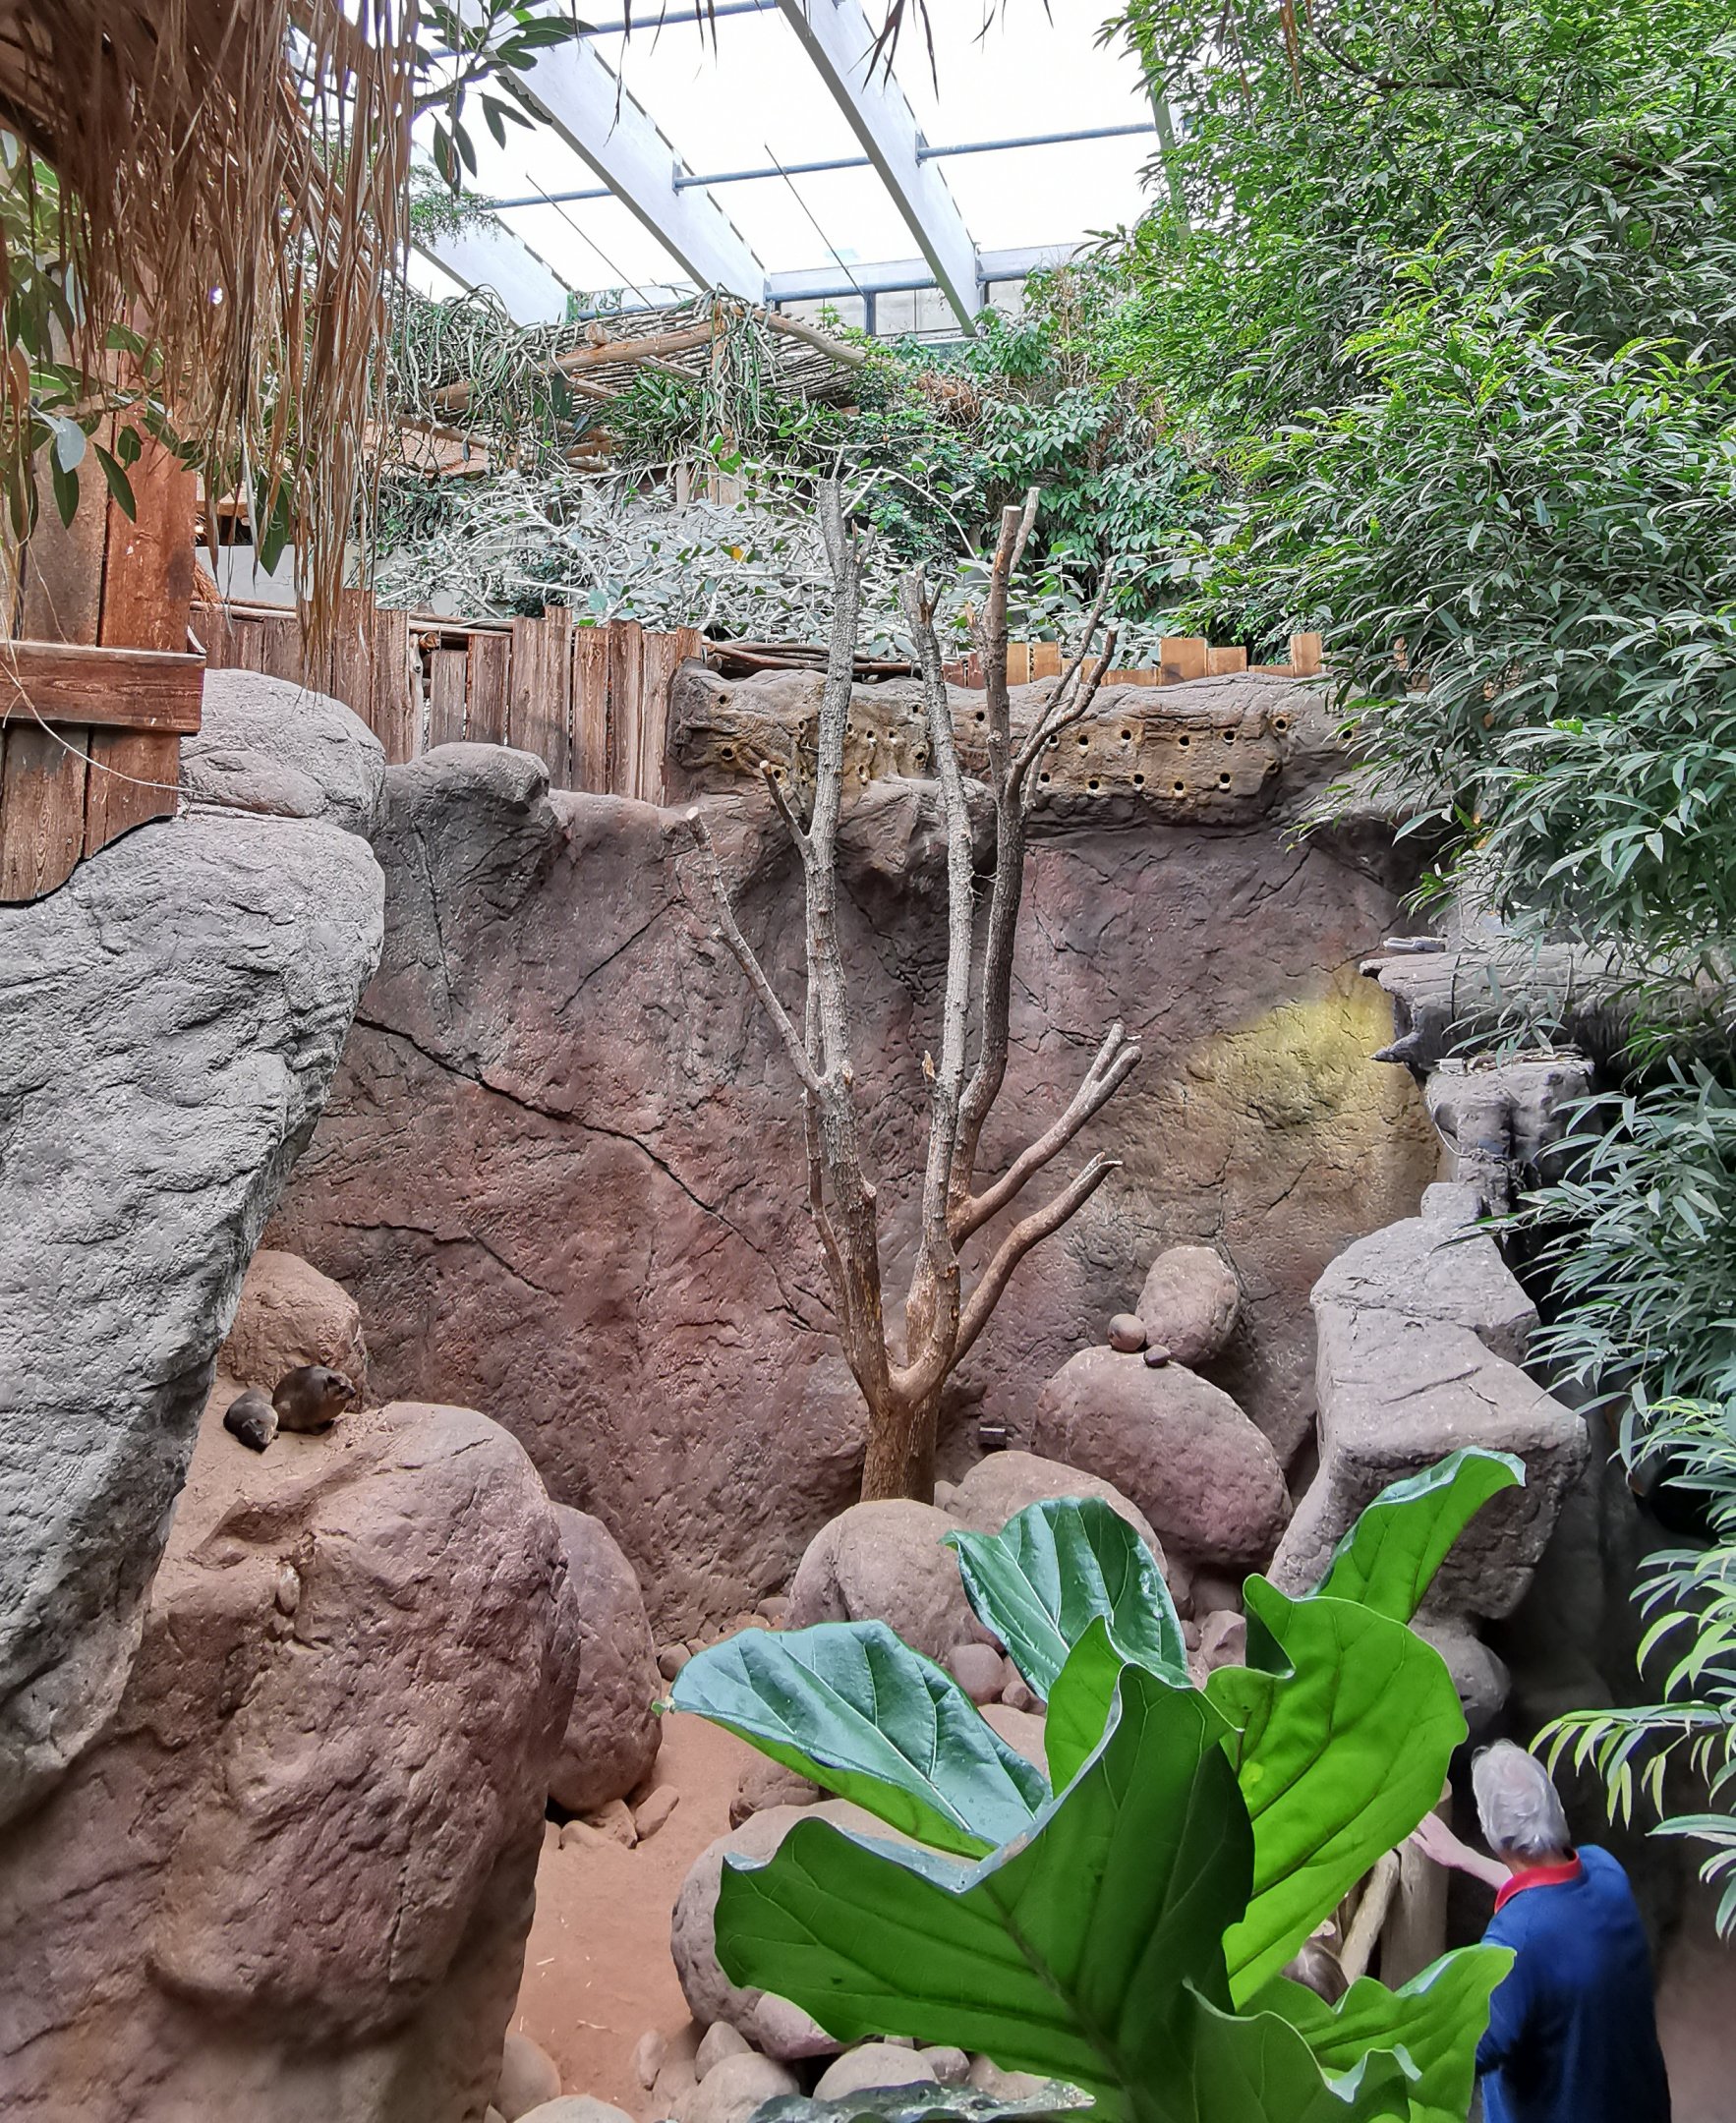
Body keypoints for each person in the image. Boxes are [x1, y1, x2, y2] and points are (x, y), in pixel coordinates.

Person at [1410, 1742, 1671, 2123]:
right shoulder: (1606, 1870)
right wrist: (1465, 1859)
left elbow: (1461, 2054)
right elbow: (1549, 1896)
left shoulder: (1511, 1947)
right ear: (1556, 1809)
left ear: (1489, 1829)